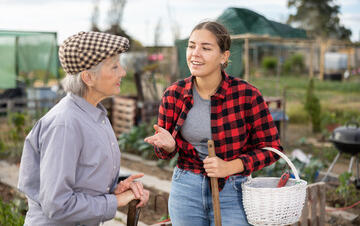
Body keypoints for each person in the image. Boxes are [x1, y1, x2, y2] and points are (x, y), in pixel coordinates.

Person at [144, 21, 283, 226]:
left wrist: (230, 167)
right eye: (191, 46)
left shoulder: (247, 95)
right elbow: (164, 154)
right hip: (186, 188)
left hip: (232, 190)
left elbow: (273, 149)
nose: (195, 53)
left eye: (206, 48)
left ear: (223, 56)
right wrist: (169, 146)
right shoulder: (174, 94)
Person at [18, 31, 150, 226]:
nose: (122, 72)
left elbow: (80, 180)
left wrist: (114, 188)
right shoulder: (65, 125)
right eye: (114, 66)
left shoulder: (95, 115)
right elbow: (57, 204)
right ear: (88, 77)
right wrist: (115, 201)